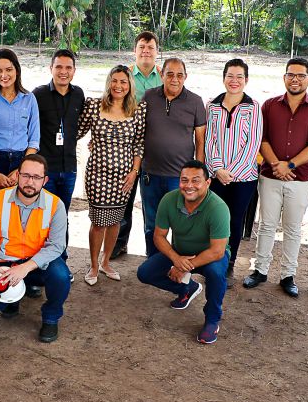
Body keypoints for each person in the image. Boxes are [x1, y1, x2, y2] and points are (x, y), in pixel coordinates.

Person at [243, 58, 308, 297]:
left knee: (292, 229)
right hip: (271, 176)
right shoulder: (269, 106)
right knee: (267, 226)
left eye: (301, 75)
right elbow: (262, 139)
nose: (295, 79)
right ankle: (259, 270)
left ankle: (287, 275)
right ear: (284, 78)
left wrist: (289, 165)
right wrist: (276, 165)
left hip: (300, 179)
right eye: (291, 74)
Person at [0, 154, 71, 343]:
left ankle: (51, 317)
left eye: (36, 178)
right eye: (26, 175)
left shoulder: (55, 205)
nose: (30, 182)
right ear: (17, 175)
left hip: (37, 266)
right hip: (6, 264)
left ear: (45, 181)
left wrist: (25, 267)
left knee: (61, 277)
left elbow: (57, 245)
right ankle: (13, 298)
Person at [136, 161, 230, 344]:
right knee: (144, 273)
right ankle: (187, 289)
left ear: (208, 182)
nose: (189, 186)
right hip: (179, 252)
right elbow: (159, 237)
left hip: (209, 255)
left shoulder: (218, 208)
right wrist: (176, 259)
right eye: (184, 180)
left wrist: (185, 266)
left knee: (216, 273)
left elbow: (217, 251)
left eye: (196, 180)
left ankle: (212, 320)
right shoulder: (169, 200)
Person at [78, 65, 146, 285]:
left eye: (123, 82)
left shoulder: (137, 110)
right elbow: (76, 131)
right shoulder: (94, 106)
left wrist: (134, 172)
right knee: (98, 221)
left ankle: (106, 262)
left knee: (116, 219)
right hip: (97, 174)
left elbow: (139, 144)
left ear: (129, 86)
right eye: (114, 81)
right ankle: (94, 265)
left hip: (124, 177)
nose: (118, 85)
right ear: (108, 83)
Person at [140, 57, 206, 258]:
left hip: (180, 179)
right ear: (161, 75)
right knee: (152, 223)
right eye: (170, 74)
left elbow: (200, 140)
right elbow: (136, 130)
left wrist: (199, 176)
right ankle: (153, 261)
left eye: (179, 75)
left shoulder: (195, 101)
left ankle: (179, 265)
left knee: (181, 226)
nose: (174, 79)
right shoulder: (149, 97)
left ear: (186, 77)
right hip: (150, 175)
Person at [205, 58, 262, 279]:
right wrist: (218, 169)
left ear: (246, 80)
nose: (234, 81)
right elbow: (209, 140)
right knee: (215, 220)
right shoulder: (212, 105)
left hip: (244, 178)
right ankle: (212, 262)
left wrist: (232, 172)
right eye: (230, 76)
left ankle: (228, 264)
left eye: (239, 77)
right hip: (216, 175)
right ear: (223, 78)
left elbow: (253, 143)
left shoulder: (253, 107)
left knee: (234, 221)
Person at [112, 31, 163, 259]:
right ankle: (119, 244)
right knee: (124, 198)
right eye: (142, 46)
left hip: (154, 149)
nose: (146, 51)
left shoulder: (163, 78)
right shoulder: (124, 77)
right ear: (135, 50)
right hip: (126, 149)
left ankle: (152, 249)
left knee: (151, 205)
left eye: (150, 47)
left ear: (156, 52)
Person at [33, 49, 85, 270]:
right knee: (42, 218)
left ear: (74, 71)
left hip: (69, 168)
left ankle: (60, 262)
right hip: (46, 171)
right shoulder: (39, 94)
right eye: (59, 67)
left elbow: (81, 125)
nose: (63, 72)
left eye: (68, 68)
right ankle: (39, 266)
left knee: (62, 218)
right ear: (51, 68)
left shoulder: (79, 94)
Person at [0, 48, 40, 204]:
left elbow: (34, 140)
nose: (4, 75)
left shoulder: (29, 99)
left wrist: (21, 171)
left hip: (22, 162)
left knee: (19, 213)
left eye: (8, 70)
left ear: (17, 71)